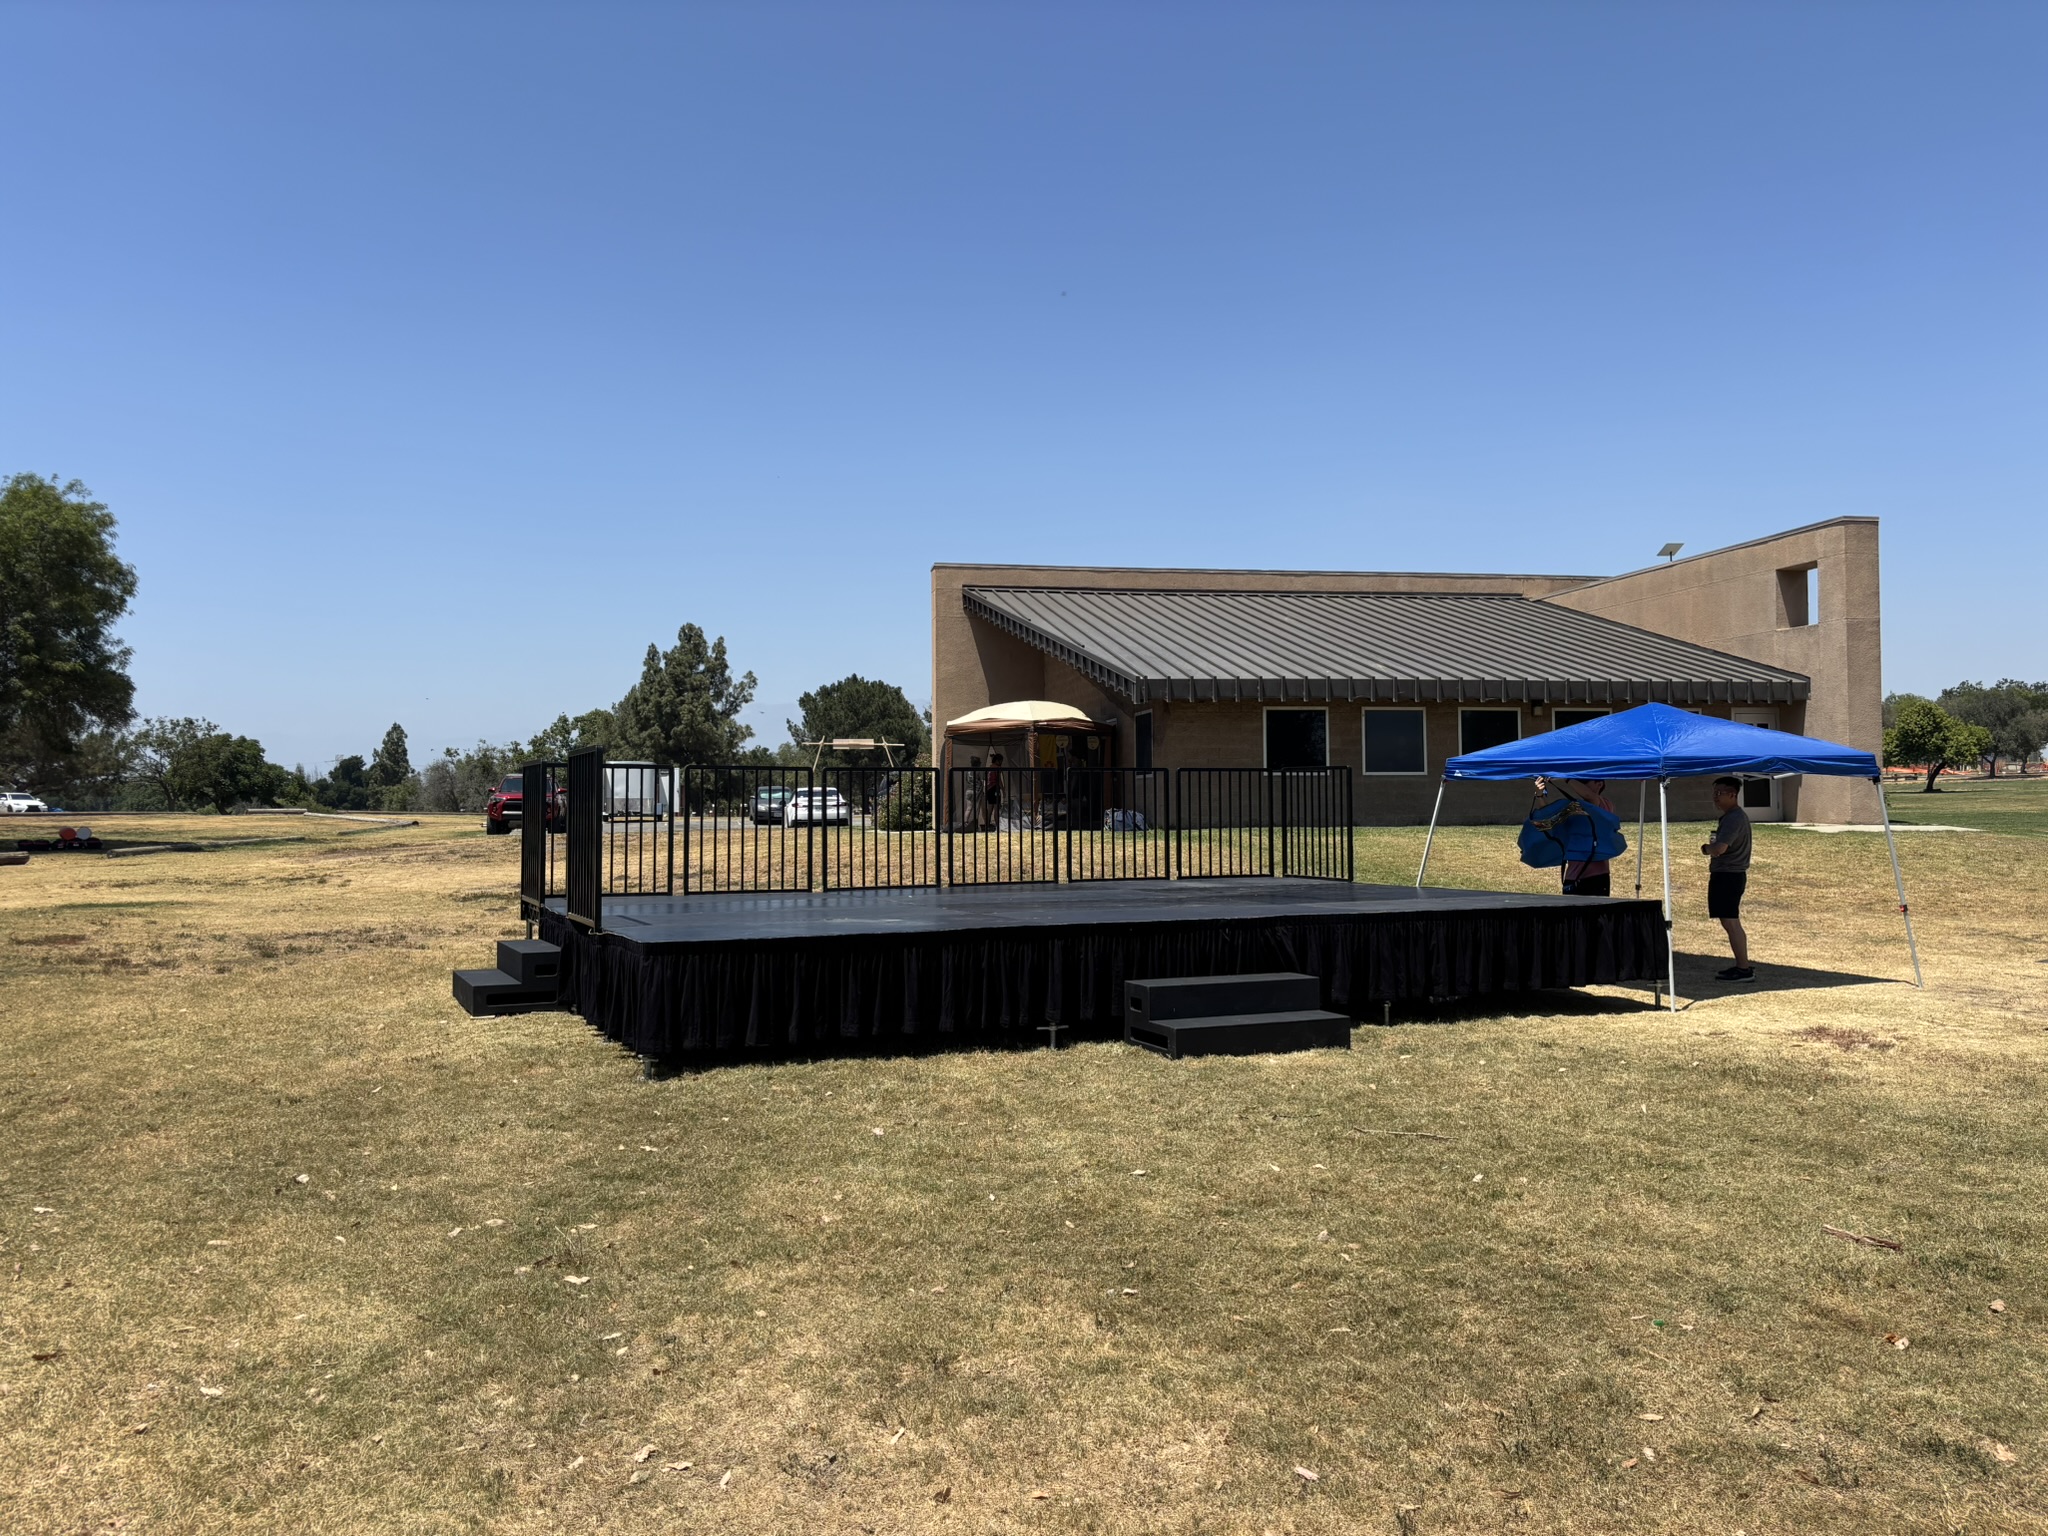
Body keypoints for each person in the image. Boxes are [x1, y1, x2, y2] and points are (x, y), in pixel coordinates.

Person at [1701, 776, 1754, 981]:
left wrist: (1706, 849)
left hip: (1729, 875)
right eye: (1714, 793)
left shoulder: (1734, 818)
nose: (1715, 797)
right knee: (1728, 920)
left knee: (1731, 922)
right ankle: (1742, 966)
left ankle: (1743, 968)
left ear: (1733, 795)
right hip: (1729, 874)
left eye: (1719, 793)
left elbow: (1719, 849)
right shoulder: (1732, 816)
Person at [1534, 775, 1615, 896]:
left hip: (1596, 877)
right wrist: (1540, 795)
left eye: (1583, 781)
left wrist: (1565, 777)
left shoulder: (1604, 805)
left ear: (1599, 784)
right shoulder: (1574, 808)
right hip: (1573, 877)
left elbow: (1590, 797)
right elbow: (1549, 819)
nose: (1578, 783)